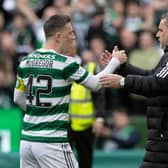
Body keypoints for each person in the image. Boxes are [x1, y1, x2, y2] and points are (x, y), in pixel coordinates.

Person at [13, 14, 127, 168]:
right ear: (59, 36)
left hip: (27, 141)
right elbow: (95, 84)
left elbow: (18, 98)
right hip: (52, 142)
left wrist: (39, 113)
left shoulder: (25, 62)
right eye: (71, 33)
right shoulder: (65, 63)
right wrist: (115, 61)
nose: (74, 37)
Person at [100, 12, 168, 168]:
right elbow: (151, 75)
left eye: (161, 30)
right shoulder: (166, 56)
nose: (157, 35)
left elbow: (156, 83)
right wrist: (122, 67)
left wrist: (124, 82)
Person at [68, 49, 106, 168]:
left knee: (85, 160)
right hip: (65, 123)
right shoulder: (59, 65)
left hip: (86, 124)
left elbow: (99, 94)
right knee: (62, 161)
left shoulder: (89, 66)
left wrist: (99, 117)